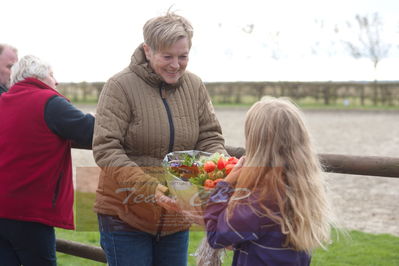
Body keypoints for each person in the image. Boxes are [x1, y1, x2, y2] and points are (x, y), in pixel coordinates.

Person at [92, 11, 226, 266]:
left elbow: (209, 136)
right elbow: (106, 148)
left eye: (183, 56)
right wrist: (151, 189)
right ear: (148, 50)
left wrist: (219, 168)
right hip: (125, 216)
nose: (176, 64)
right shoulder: (119, 87)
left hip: (177, 217)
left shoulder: (195, 85)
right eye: (167, 56)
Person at [204, 97, 335, 266]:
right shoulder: (304, 187)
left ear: (257, 142)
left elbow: (216, 236)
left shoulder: (260, 200)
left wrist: (226, 184)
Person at [0, 55, 95, 265]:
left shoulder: (3, 101)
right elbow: (90, 130)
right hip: (29, 211)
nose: (57, 82)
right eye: (52, 75)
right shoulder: (48, 102)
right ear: (40, 77)